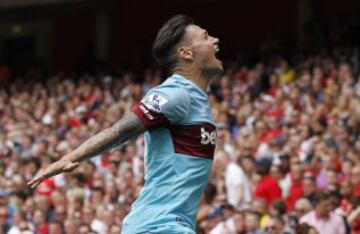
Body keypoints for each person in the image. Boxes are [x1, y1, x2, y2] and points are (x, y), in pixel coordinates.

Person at [27, 14, 223, 234]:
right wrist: (69, 158)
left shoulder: (197, 99)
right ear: (186, 53)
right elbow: (121, 130)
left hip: (170, 225)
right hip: (158, 226)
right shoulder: (177, 94)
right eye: (205, 37)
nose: (215, 40)